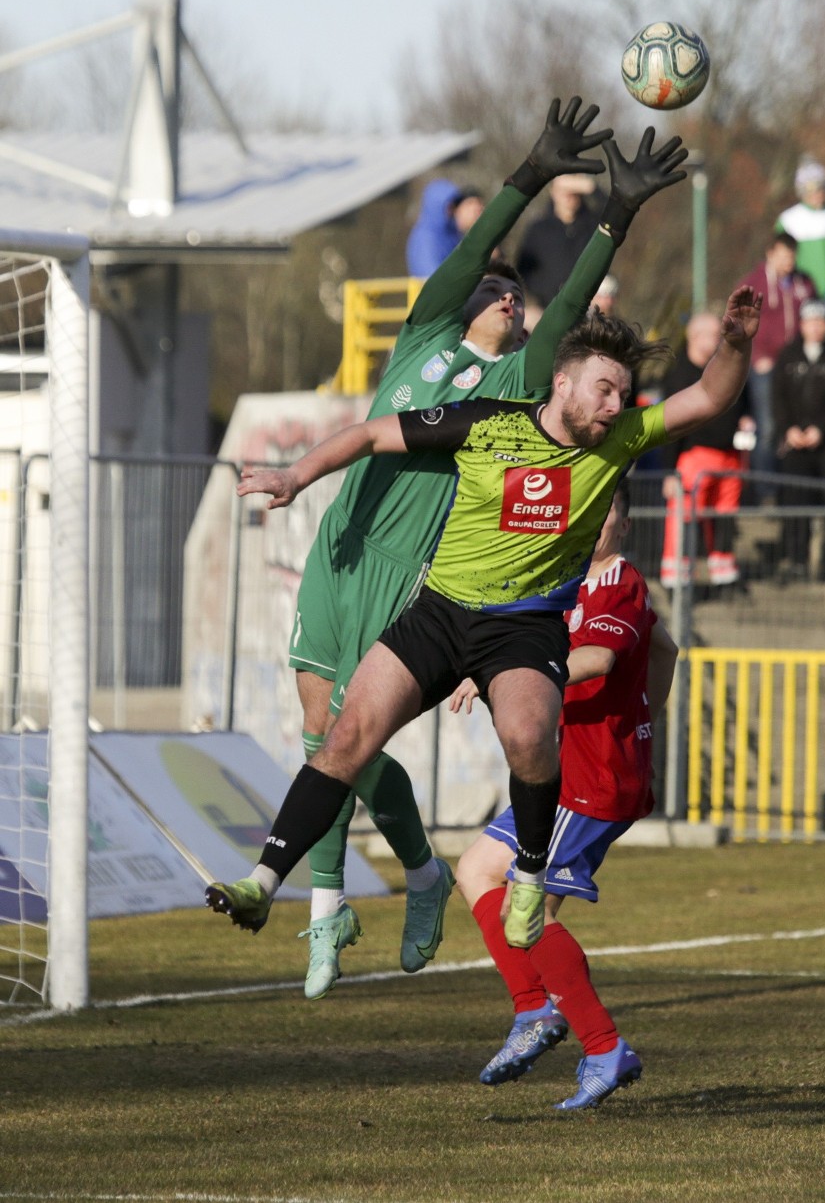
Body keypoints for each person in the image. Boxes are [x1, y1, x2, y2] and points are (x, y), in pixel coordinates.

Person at [207, 101, 690, 1000]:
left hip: (420, 577)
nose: (509, 294)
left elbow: (575, 312)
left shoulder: (521, 386)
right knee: (326, 730)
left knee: (351, 727)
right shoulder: (426, 333)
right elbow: (468, 257)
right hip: (341, 548)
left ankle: (356, 901)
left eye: (517, 291)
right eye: (498, 288)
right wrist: (530, 173)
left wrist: (613, 219)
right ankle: (391, 884)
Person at [208, 282, 761, 954]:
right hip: (441, 612)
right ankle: (262, 882)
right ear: (561, 384)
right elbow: (371, 433)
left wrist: (734, 341)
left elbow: (708, 397)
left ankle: (529, 872)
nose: (617, 406)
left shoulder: (617, 441)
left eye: (622, 393)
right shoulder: (486, 421)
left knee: (528, 735)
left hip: (524, 626)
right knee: (346, 732)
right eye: (604, 390)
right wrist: (298, 475)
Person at [450, 482, 678, 1109]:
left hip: (592, 781)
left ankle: (597, 1044)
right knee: (476, 871)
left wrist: (509, 673)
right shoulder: (569, 581)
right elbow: (666, 648)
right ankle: (538, 1013)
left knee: (529, 913)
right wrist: (644, 718)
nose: (593, 522)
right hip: (575, 773)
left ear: (624, 525)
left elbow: (601, 658)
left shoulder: (616, 583)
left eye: (606, 513)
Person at [658, 310, 752, 587]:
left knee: (724, 517)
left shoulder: (727, 367)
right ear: (694, 337)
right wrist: (669, 471)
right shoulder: (678, 374)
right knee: (683, 518)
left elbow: (744, 401)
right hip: (694, 457)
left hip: (730, 455)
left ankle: (724, 574)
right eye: (712, 335)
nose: (717, 340)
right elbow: (669, 425)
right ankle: (676, 577)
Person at [773, 299, 825, 580]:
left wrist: (822, 430)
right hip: (796, 442)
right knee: (796, 500)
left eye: (821, 322)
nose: (816, 327)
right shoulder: (788, 355)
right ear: (802, 325)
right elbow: (778, 397)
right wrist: (789, 429)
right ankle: (796, 561)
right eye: (811, 322)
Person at [737, 232, 816, 495]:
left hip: (797, 367)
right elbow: (742, 324)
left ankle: (795, 490)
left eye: (792, 256)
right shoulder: (754, 284)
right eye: (784, 256)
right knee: (768, 428)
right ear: (770, 254)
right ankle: (765, 492)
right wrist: (757, 357)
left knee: (796, 425)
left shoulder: (804, 284)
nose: (789, 262)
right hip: (766, 367)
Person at [516, 172, 601, 329]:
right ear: (552, 192)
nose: (569, 196)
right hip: (546, 311)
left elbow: (617, 215)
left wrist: (589, 186)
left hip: (587, 312)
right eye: (564, 190)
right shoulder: (538, 229)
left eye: (574, 192)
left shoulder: (593, 226)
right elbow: (523, 271)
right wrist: (545, 295)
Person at [776, 159, 825, 297]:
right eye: (810, 190)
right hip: (801, 295)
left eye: (821, 188)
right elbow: (779, 261)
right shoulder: (788, 220)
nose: (817, 194)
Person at [405, 180, 485, 277]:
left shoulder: (450, 233)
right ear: (437, 206)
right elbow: (430, 276)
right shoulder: (426, 237)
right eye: (448, 205)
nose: (452, 210)